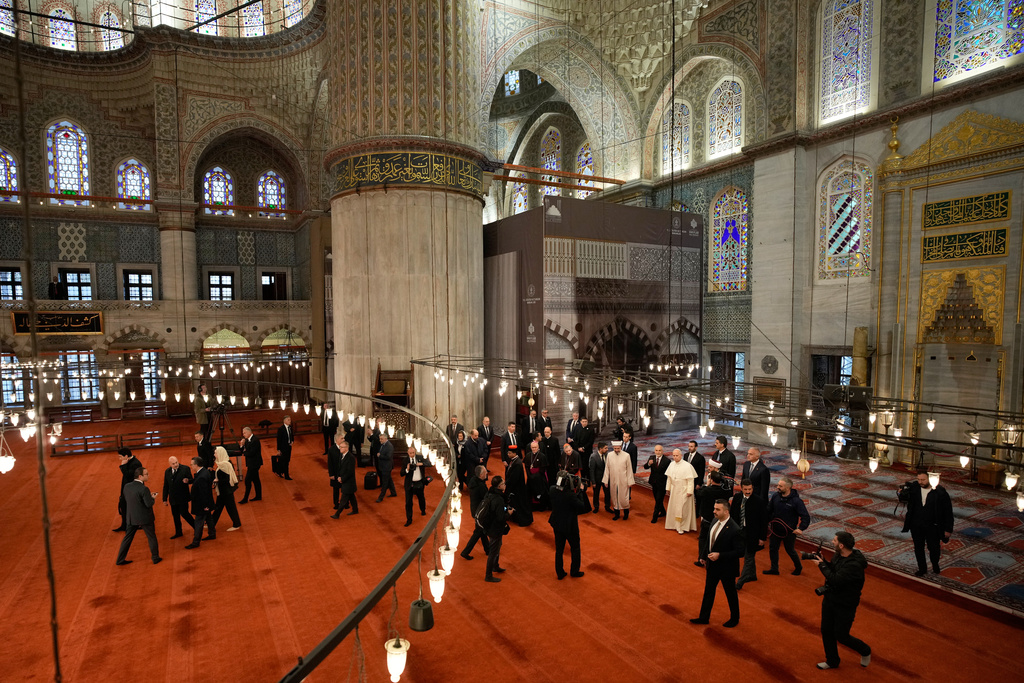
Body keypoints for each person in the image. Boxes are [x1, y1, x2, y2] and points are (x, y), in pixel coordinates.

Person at [810, 532, 872, 670]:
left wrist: (821, 566)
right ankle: (832, 661)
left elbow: (835, 579)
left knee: (841, 635)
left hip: (845, 604)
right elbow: (834, 569)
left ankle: (865, 650)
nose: (832, 542)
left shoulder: (854, 565)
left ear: (841, 545)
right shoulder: (839, 555)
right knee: (826, 630)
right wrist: (823, 561)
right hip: (830, 599)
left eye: (834, 540)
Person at [690, 500, 743, 628]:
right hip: (712, 566)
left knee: (730, 593)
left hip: (727, 568)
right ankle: (704, 617)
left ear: (726, 511)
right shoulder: (714, 521)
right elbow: (709, 541)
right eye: (714, 508)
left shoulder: (735, 529)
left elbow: (740, 552)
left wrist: (720, 555)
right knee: (709, 591)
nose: (714, 511)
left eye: (717, 509)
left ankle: (735, 618)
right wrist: (703, 556)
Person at [901, 471, 954, 576]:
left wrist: (948, 529)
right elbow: (904, 499)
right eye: (918, 479)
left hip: (933, 526)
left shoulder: (940, 492)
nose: (920, 482)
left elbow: (948, 512)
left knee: (934, 548)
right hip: (916, 524)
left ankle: (935, 564)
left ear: (930, 479)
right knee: (918, 547)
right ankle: (922, 568)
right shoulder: (914, 487)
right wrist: (901, 493)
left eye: (923, 480)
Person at [764, 476, 811, 576]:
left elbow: (805, 516)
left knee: (790, 550)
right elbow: (769, 510)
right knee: (773, 548)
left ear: (788, 488)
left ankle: (798, 567)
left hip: (789, 531)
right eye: (778, 485)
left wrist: (801, 528)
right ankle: (774, 568)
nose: (777, 487)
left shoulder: (797, 501)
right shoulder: (776, 496)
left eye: (780, 486)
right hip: (775, 529)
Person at [115, 467, 161, 565]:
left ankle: (120, 560)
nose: (148, 476)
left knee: (127, 538)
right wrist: (152, 498)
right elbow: (148, 504)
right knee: (151, 537)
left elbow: (130, 499)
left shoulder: (127, 486)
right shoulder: (144, 489)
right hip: (145, 518)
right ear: (140, 476)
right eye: (146, 474)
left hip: (131, 517)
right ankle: (155, 558)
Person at [548, 471, 589, 579]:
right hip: (570, 526)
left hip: (557, 524)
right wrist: (580, 491)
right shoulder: (570, 495)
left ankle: (560, 573)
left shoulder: (552, 490)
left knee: (559, 550)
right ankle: (574, 571)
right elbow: (582, 507)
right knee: (575, 548)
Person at [732, 478, 767, 590]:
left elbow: (763, 521)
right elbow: (733, 515)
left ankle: (741, 581)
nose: (748, 491)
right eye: (745, 489)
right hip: (740, 531)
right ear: (741, 488)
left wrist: (762, 537)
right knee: (745, 555)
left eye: (750, 489)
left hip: (753, 534)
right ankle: (752, 575)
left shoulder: (759, 501)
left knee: (749, 556)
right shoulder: (737, 498)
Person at [696, 471, 733, 564]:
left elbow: (698, 493)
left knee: (703, 539)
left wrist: (707, 485)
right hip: (718, 520)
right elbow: (730, 493)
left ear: (711, 480)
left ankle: (702, 559)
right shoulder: (724, 491)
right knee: (714, 541)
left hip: (707, 519)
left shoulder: (707, 490)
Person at [480, 475, 511, 582]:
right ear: (498, 486)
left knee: (497, 546)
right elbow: (500, 517)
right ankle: (488, 575)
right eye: (503, 483)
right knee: (493, 551)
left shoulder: (490, 493)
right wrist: (509, 514)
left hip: (489, 526)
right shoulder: (498, 499)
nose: (504, 485)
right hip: (495, 529)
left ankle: (495, 566)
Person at [461, 465, 491, 560]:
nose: (487, 473)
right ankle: (465, 552)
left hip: (475, 510)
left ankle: (487, 549)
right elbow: (487, 498)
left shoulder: (473, 481)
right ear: (481, 474)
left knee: (481, 530)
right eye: (485, 472)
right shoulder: (481, 486)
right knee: (478, 532)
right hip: (480, 512)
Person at [185, 456, 215, 549]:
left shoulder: (202, 476)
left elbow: (203, 492)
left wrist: (205, 506)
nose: (191, 466)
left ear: (196, 465)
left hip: (201, 504)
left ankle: (196, 542)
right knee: (209, 518)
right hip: (206, 503)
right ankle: (212, 533)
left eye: (191, 464)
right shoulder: (204, 472)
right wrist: (190, 481)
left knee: (198, 523)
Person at [664, 448, 697, 534]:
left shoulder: (687, 466)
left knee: (682, 509)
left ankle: (682, 526)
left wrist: (690, 491)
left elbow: (690, 480)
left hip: (684, 490)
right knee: (674, 508)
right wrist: (668, 488)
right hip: (675, 489)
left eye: (677, 455)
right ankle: (674, 525)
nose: (675, 457)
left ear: (681, 455)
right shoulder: (671, 464)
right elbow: (669, 478)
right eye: (674, 456)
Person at [161, 456, 194, 539]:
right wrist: (164, 499)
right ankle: (178, 532)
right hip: (173, 498)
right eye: (173, 464)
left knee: (184, 513)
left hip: (183, 497)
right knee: (175, 515)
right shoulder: (167, 472)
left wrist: (188, 480)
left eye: (176, 462)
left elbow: (192, 480)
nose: (176, 465)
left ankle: (196, 527)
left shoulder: (185, 469)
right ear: (170, 464)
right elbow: (166, 486)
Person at [602, 441, 635, 520]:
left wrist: (630, 481)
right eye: (615, 448)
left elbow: (629, 469)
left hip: (623, 480)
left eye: (618, 448)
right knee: (614, 497)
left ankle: (626, 514)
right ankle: (617, 514)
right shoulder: (609, 455)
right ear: (613, 448)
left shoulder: (626, 455)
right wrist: (606, 480)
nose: (616, 450)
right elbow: (607, 468)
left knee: (624, 498)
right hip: (613, 480)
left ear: (621, 447)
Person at [212, 446, 242, 531]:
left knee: (230, 508)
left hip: (226, 491)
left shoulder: (225, 465)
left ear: (220, 453)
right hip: (223, 491)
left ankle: (236, 524)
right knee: (219, 507)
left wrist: (217, 480)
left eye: (216, 453)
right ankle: (212, 523)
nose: (214, 454)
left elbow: (226, 480)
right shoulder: (222, 463)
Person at [114, 447, 142, 532]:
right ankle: (124, 525)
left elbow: (128, 475)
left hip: (133, 491)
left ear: (126, 456)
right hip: (126, 490)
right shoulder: (129, 462)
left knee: (133, 508)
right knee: (123, 506)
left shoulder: (136, 463)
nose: (119, 459)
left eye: (120, 457)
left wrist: (124, 465)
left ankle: (135, 525)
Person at [331, 438, 358, 518]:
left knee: (343, 499)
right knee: (351, 496)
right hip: (344, 480)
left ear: (346, 448)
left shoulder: (351, 458)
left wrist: (342, 478)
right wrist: (339, 476)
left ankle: (337, 514)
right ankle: (355, 510)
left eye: (342, 447)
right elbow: (340, 467)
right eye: (340, 447)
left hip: (349, 482)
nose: (340, 448)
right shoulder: (341, 455)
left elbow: (350, 472)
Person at [401, 446, 428, 527]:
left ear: (415, 452)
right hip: (410, 484)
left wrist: (422, 464)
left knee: (421, 498)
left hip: (419, 483)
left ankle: (423, 510)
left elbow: (429, 464)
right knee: (408, 502)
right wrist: (407, 469)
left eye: (413, 453)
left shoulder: (420, 457)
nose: (412, 455)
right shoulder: (405, 460)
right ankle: (409, 519)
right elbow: (401, 473)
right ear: (408, 453)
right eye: (410, 453)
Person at [505, 447, 532, 526]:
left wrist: (507, 484)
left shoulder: (517, 463)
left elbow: (514, 478)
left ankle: (523, 520)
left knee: (520, 505)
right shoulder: (514, 461)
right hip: (515, 488)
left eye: (509, 453)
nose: (508, 454)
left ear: (514, 453)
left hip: (517, 489)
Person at [644, 444, 671, 523]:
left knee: (659, 500)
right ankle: (663, 512)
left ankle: (654, 516)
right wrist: (649, 464)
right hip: (653, 482)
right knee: (657, 499)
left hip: (662, 484)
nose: (658, 452)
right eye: (656, 450)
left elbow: (668, 474)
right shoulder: (652, 458)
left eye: (659, 450)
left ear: (662, 451)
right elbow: (646, 467)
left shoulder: (667, 461)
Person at [238, 426, 263, 504]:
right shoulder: (247, 440)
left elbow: (251, 453)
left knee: (248, 480)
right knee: (256, 480)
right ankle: (258, 496)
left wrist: (244, 453)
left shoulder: (255, 440)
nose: (243, 434)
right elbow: (242, 450)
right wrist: (242, 445)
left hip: (254, 464)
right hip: (251, 463)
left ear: (249, 432)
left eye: (244, 433)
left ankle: (245, 498)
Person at [525, 440, 550, 510]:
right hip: (531, 477)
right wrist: (529, 475)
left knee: (541, 492)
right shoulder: (528, 455)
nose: (534, 449)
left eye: (535, 447)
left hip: (540, 478)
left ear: (538, 447)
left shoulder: (542, 456)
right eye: (532, 447)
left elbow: (543, 468)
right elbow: (527, 467)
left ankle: (541, 506)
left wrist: (535, 476)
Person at [589, 442, 611, 513]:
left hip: (606, 479)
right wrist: (593, 482)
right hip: (597, 479)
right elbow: (591, 470)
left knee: (607, 493)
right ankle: (596, 507)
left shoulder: (607, 455)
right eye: (605, 448)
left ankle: (607, 506)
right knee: (596, 494)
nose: (607, 449)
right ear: (600, 449)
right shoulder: (593, 457)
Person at [375, 431, 397, 501]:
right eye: (380, 439)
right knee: (389, 480)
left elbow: (388, 457)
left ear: (385, 439)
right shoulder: (383, 445)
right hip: (383, 466)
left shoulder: (389, 446)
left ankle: (380, 497)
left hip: (387, 467)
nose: (380, 440)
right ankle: (393, 492)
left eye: (381, 439)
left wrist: (380, 456)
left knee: (385, 483)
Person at [327, 435, 344, 511]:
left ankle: (345, 503)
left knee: (345, 489)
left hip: (343, 472)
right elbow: (329, 463)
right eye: (342, 438)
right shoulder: (331, 449)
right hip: (335, 473)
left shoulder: (345, 447)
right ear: (337, 440)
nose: (343, 439)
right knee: (336, 489)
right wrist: (331, 474)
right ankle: (336, 504)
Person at [275, 416, 294, 480]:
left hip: (289, 447)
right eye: (288, 420)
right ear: (284, 421)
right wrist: (278, 450)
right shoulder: (281, 429)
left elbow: (291, 435)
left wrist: (292, 441)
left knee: (287, 460)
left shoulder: (290, 428)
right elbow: (279, 440)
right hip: (283, 448)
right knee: (285, 461)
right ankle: (286, 475)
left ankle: (279, 472)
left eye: (290, 420)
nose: (290, 421)